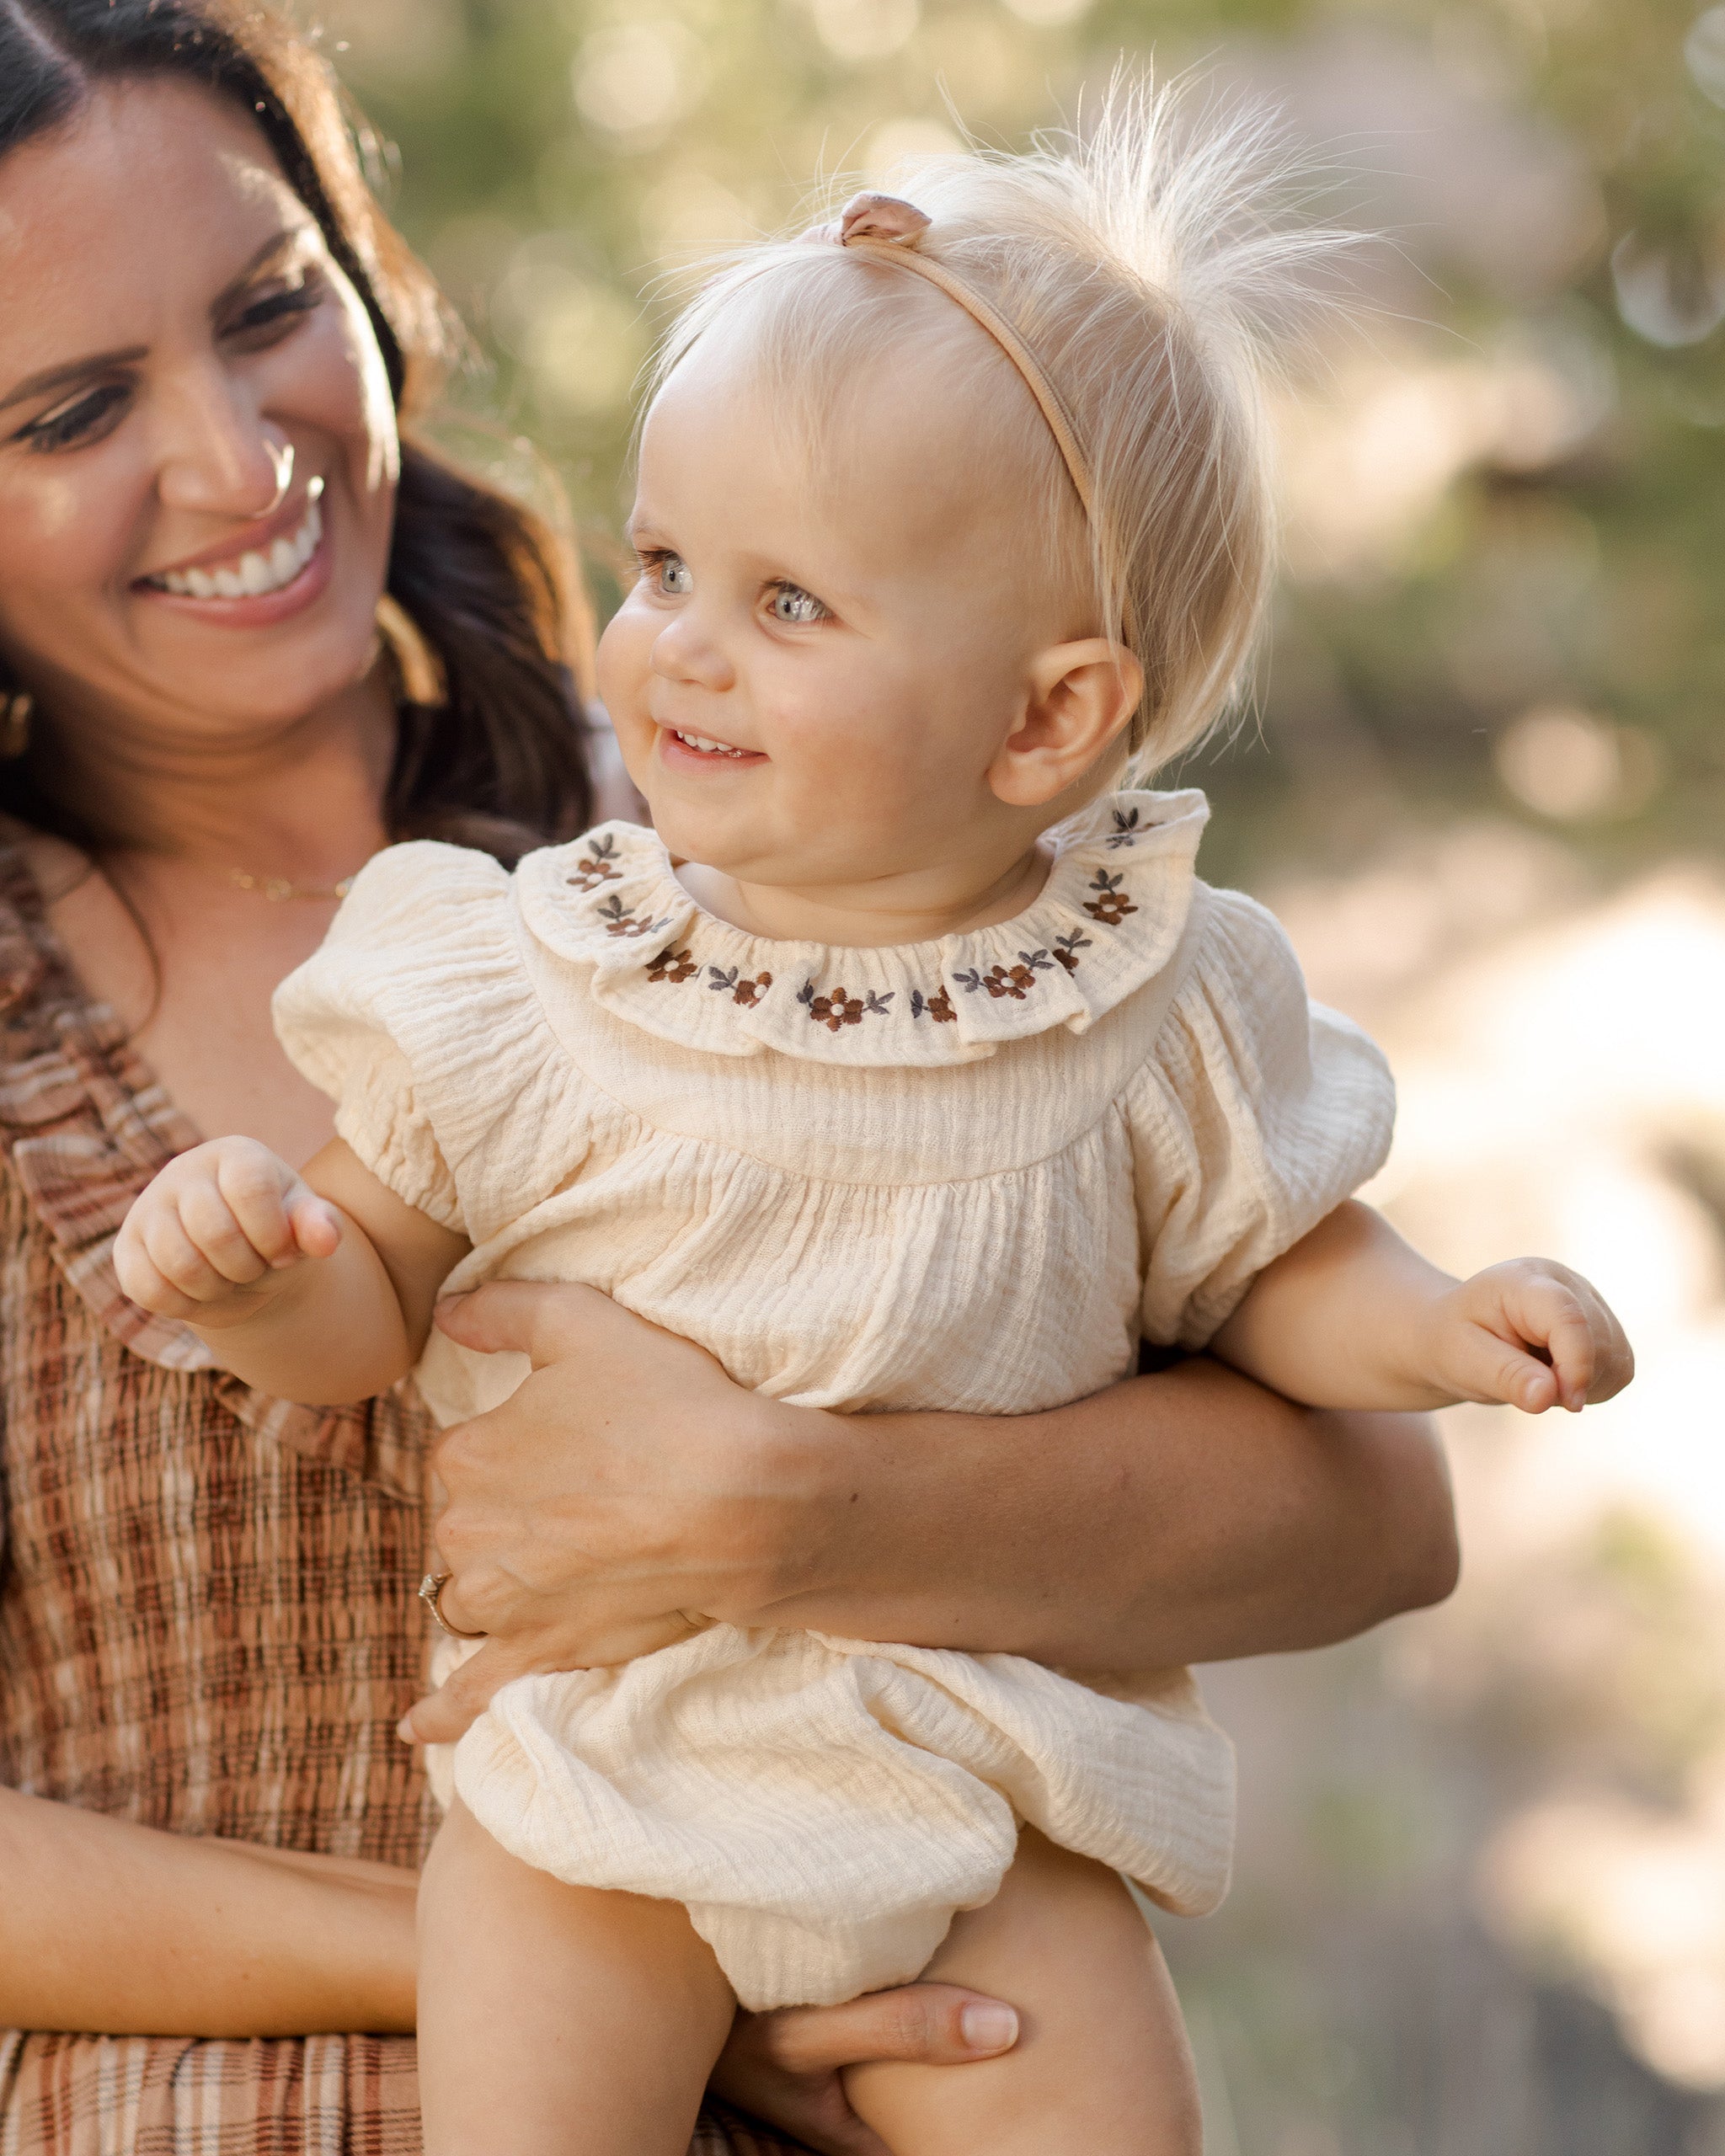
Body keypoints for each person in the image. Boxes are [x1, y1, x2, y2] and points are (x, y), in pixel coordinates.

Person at [115, 86, 1631, 2156]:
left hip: (968, 1762)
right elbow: (364, 1293)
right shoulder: (537, 968)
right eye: (660, 567)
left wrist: (1449, 1317)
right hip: (599, 1782)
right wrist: (265, 1269)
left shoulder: (1144, 997)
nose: (673, 647)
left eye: (786, 603)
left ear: (1046, 717)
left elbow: (1276, 1267)